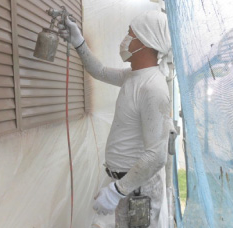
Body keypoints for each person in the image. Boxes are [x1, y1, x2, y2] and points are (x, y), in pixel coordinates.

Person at [59, 10, 173, 228]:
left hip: (137, 192)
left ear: (146, 41)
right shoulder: (133, 77)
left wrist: (117, 191)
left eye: (131, 34)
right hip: (126, 185)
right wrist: (78, 41)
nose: (125, 40)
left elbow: (157, 156)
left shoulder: (153, 88)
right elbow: (99, 71)